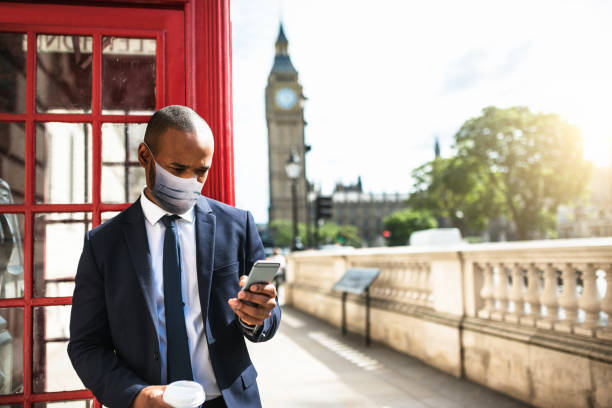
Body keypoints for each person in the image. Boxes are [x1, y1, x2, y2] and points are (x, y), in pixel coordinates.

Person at [68, 105, 281, 408]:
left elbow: (270, 316)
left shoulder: (238, 225)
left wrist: (258, 317)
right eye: (178, 169)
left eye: (201, 171)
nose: (189, 182)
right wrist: (136, 396)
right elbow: (85, 345)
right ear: (145, 157)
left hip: (229, 401)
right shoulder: (103, 244)